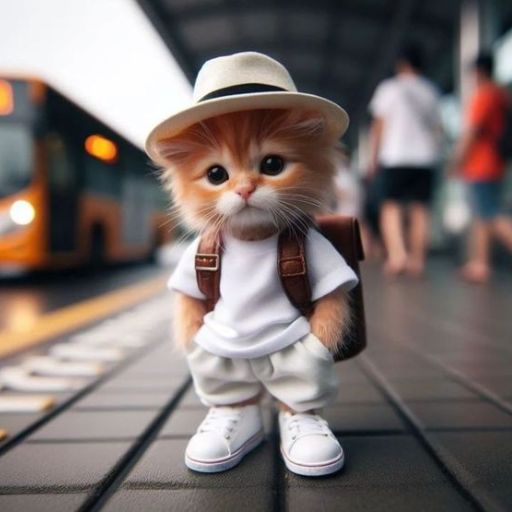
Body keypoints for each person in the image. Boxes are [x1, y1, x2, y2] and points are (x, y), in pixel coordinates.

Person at [368, 44, 441, 276]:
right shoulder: (431, 90)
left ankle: (398, 256)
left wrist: (373, 158)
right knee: (421, 209)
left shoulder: (389, 88)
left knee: (391, 206)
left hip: (396, 156)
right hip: (425, 159)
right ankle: (417, 261)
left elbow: (379, 126)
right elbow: (437, 129)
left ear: (401, 64)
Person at [449, 53, 512, 283]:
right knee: (481, 216)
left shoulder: (484, 95)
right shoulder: (502, 96)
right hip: (495, 164)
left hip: (481, 165)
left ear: (478, 71)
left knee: (491, 214)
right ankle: (480, 264)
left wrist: (456, 161)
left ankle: (480, 263)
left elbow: (471, 132)